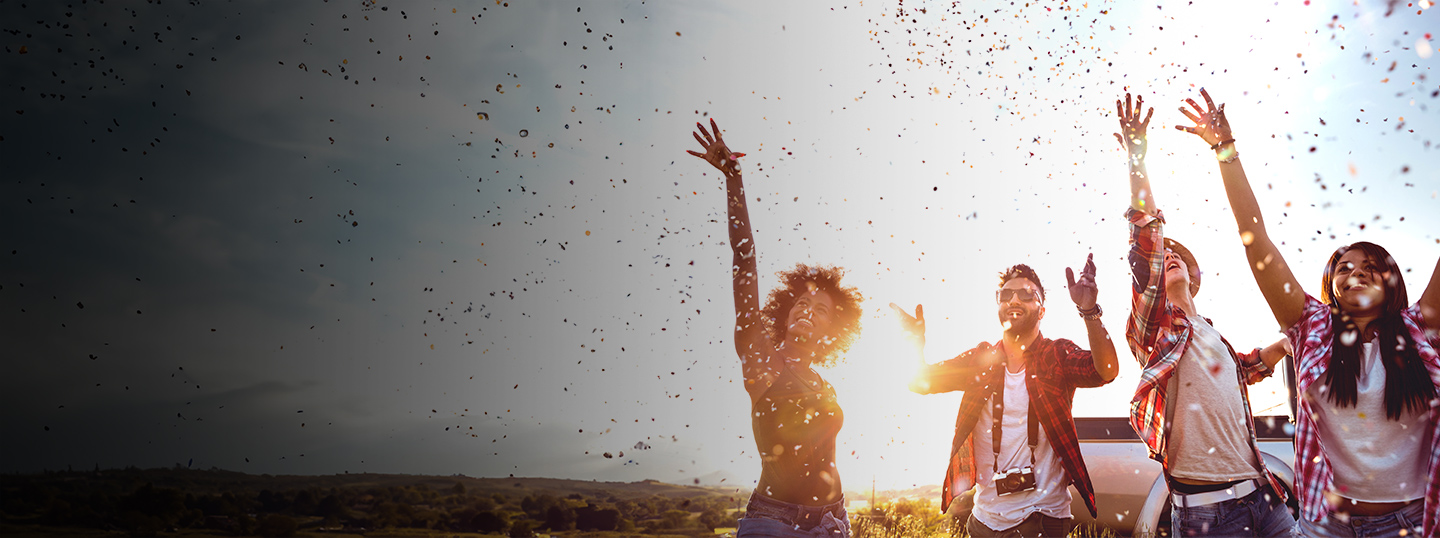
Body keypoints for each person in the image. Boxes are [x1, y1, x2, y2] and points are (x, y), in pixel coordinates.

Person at [1181, 88, 1440, 537]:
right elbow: (1256, 240)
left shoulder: (1421, 328)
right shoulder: (1312, 327)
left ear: (1392, 280)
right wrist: (1225, 152)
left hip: (1409, 523)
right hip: (1327, 525)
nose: (1356, 274)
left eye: (1370, 267)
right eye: (1344, 268)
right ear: (1332, 285)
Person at [1112, 92, 1295, 536]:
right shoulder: (1153, 331)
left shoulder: (1211, 334)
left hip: (1263, 497)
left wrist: (1291, 341)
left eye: (1179, 258)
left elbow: (1244, 369)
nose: (1170, 257)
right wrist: (1138, 158)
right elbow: (1148, 236)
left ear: (1195, 278)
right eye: (1165, 257)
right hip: (1206, 514)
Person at [688, 119, 863, 538]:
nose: (808, 310)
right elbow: (744, 260)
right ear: (785, 312)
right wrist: (734, 178)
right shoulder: (761, 360)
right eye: (802, 302)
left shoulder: (824, 382)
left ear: (831, 331)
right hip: (775, 525)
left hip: (835, 523)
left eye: (821, 310)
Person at [891, 259, 1120, 537]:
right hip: (983, 521)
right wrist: (915, 344)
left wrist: (1089, 311)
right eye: (1006, 294)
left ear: (1042, 310)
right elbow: (920, 381)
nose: (1014, 299)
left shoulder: (1056, 355)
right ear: (998, 305)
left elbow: (1105, 371)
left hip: (1042, 519)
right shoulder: (980, 359)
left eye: (1027, 294)